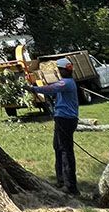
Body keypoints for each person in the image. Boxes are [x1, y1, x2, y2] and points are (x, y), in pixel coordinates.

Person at [27, 57, 80, 196]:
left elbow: (51, 88)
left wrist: (33, 88)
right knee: (58, 147)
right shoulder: (67, 82)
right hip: (62, 119)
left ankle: (71, 186)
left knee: (65, 151)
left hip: (65, 120)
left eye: (60, 69)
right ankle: (61, 180)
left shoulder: (66, 83)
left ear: (62, 70)